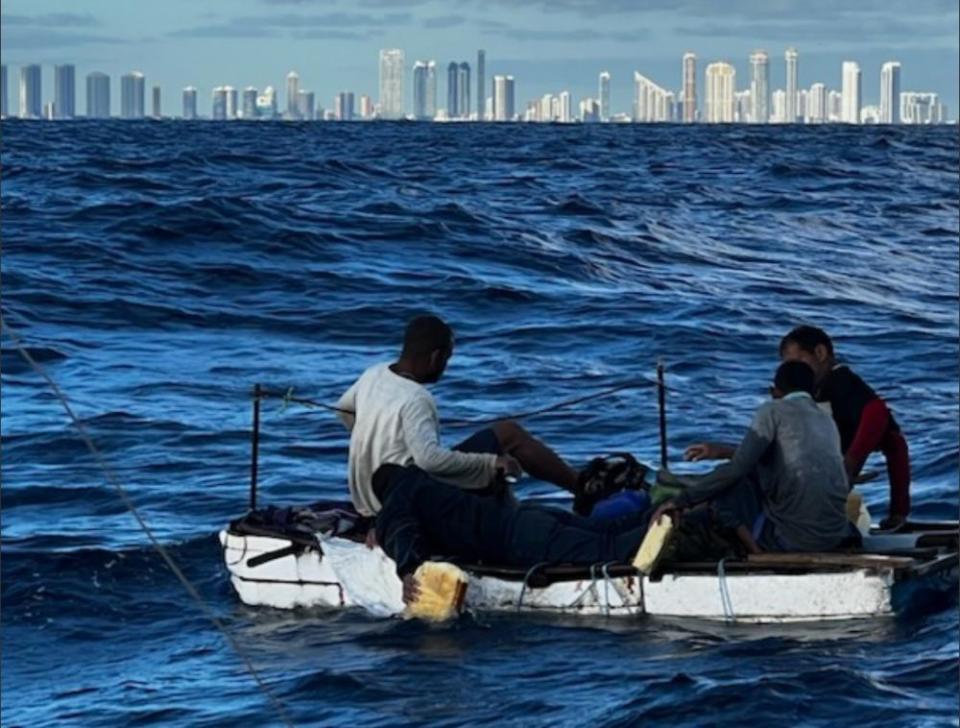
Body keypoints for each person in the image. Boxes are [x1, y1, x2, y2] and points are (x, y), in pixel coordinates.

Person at [335, 314, 581, 519]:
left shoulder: (373, 374)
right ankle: (581, 489)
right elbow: (429, 460)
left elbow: (343, 409)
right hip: (401, 501)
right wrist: (489, 463)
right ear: (435, 357)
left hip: (367, 499)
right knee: (509, 434)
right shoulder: (416, 398)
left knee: (490, 447)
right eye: (447, 359)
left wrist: (376, 433)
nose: (445, 367)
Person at [651, 361, 853, 554]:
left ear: (774, 392)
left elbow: (738, 469)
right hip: (834, 535)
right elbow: (783, 455)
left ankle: (757, 551)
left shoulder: (772, 410)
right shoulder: (826, 419)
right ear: (814, 391)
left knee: (728, 488)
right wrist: (722, 451)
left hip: (792, 540)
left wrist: (682, 501)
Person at [374, 461, 651, 601]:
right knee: (611, 529)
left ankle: (681, 524)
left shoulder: (396, 504)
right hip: (528, 513)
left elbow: (402, 530)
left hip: (521, 540)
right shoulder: (429, 480)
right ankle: (667, 511)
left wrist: (408, 571)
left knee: (611, 550)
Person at [779, 325, 910, 528]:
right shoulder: (814, 390)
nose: (794, 373)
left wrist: (851, 463)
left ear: (820, 353)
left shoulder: (839, 380)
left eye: (799, 363)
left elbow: (878, 414)